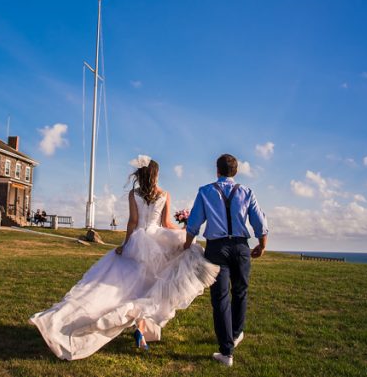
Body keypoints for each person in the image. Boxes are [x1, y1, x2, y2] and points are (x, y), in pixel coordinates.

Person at [29, 155, 219, 360]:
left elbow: (132, 222)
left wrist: (126, 245)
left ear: (140, 174)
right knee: (147, 289)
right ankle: (141, 330)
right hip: (158, 242)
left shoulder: (133, 194)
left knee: (129, 288)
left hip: (138, 242)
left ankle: (140, 329)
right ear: (155, 174)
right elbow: (165, 224)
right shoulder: (164, 194)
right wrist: (183, 231)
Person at [184, 154, 268, 368]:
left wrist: (187, 244)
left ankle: (227, 351)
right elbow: (259, 220)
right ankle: (237, 333)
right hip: (241, 247)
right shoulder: (247, 191)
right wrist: (262, 244)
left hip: (217, 248)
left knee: (220, 298)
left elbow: (194, 222)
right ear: (236, 171)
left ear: (217, 170)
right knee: (240, 292)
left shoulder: (205, 191)